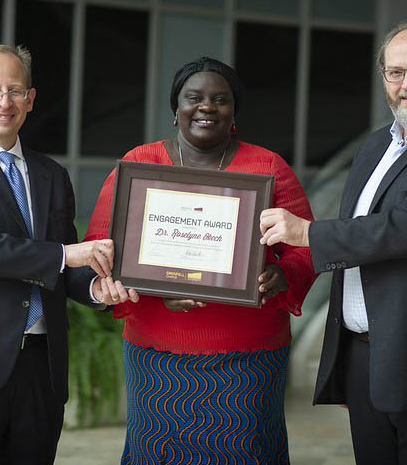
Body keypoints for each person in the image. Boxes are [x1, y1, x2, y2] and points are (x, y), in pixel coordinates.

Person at [259, 21, 407, 465]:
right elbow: (358, 243)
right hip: (367, 358)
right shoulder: (375, 147)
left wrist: (307, 234)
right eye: (395, 73)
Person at [84, 57, 317, 464]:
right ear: (176, 110)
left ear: (234, 113)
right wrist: (157, 289)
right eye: (194, 98)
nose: (206, 107)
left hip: (249, 359)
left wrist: (283, 274)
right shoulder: (141, 165)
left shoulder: (268, 168)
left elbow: (306, 247)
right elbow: (100, 251)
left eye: (220, 99)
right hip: (159, 358)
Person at [0, 44, 136, 465]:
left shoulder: (52, 175)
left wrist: (95, 290)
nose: (4, 102)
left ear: (31, 100)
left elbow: (63, 266)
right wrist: (66, 256)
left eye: (16, 91)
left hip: (41, 367)